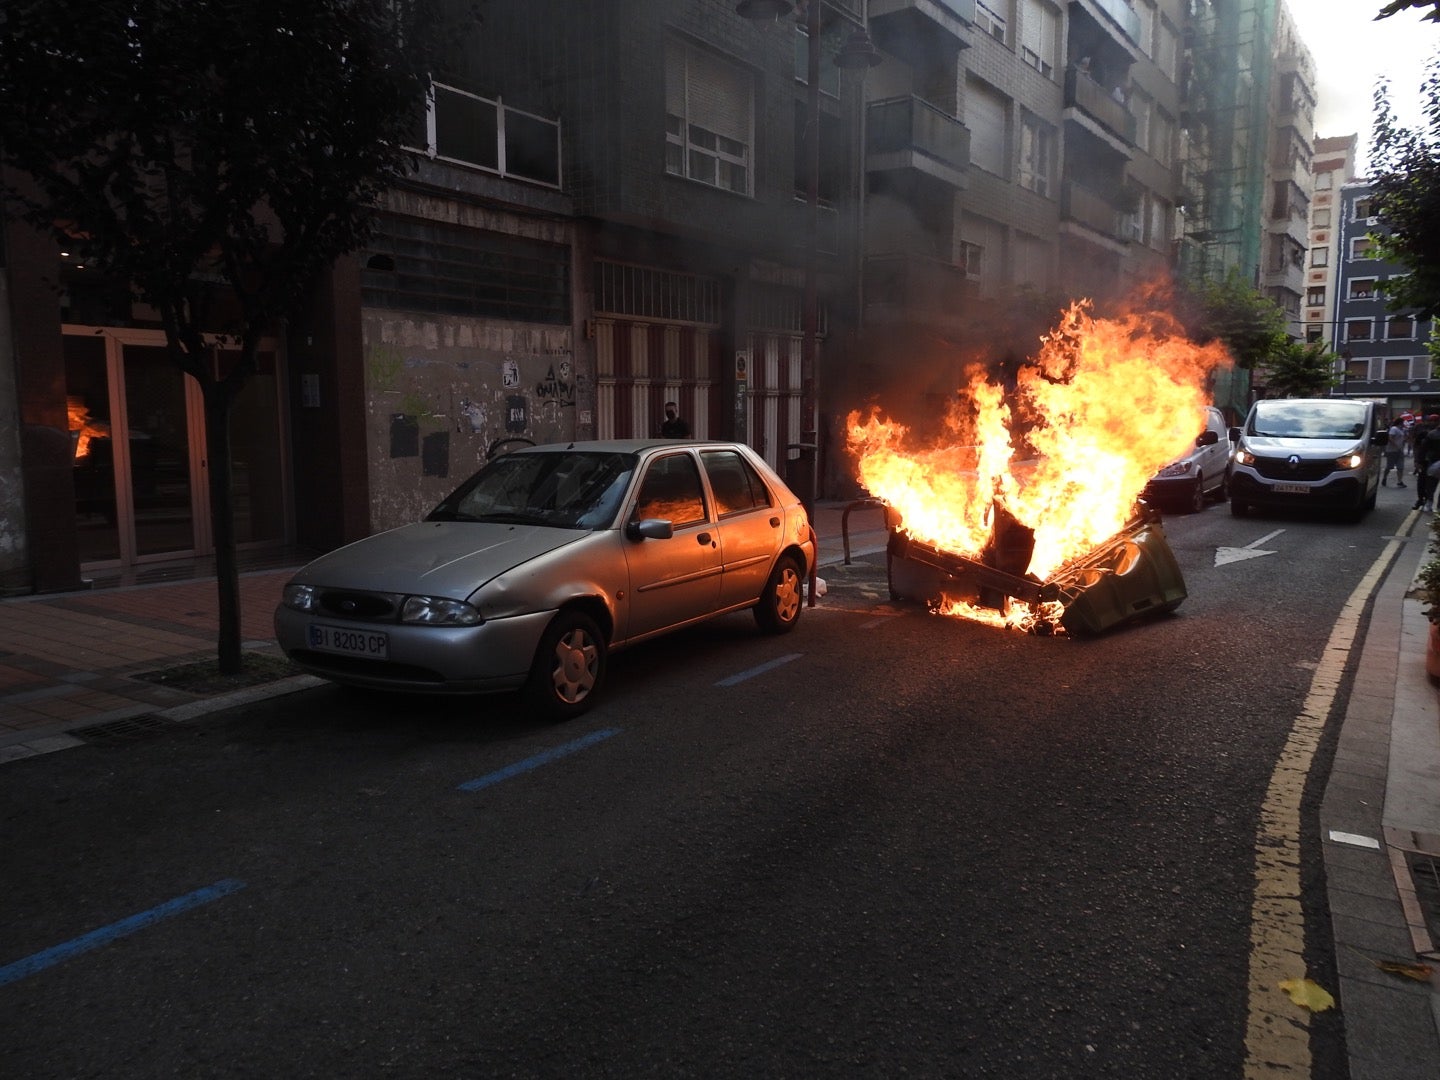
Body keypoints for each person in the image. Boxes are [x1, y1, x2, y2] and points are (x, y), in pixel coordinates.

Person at [1415, 415, 1440, 511]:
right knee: (1428, 483)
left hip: (1432, 461)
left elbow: (1422, 448)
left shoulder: (1431, 434)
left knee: (1430, 484)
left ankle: (1428, 501)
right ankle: (1428, 502)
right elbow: (1420, 448)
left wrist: (1418, 460)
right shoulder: (1427, 433)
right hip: (1430, 461)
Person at [1383, 418, 1407, 487]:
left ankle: (1400, 481)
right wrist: (1396, 445)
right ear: (1400, 423)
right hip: (1392, 450)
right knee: (1389, 466)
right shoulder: (1394, 429)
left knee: (1400, 466)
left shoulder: (1401, 430)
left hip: (1400, 450)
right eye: (1403, 422)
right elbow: (1390, 438)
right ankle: (1384, 478)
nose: (1403, 424)